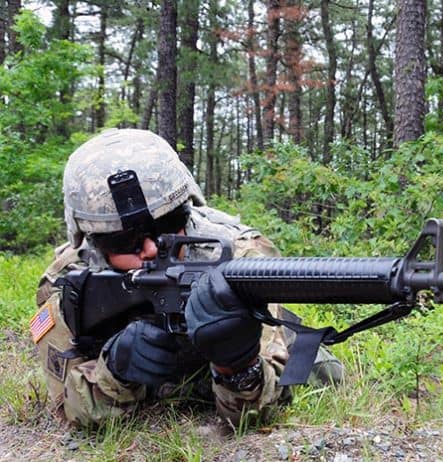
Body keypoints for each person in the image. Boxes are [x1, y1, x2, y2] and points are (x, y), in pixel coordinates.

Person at [31, 128, 343, 427]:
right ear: (93, 240)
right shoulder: (69, 283)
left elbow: (258, 411)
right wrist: (115, 370)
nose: (153, 249)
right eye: (126, 241)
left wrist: (237, 366)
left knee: (324, 369)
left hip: (224, 373)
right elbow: (69, 409)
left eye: (168, 224)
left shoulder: (240, 258)